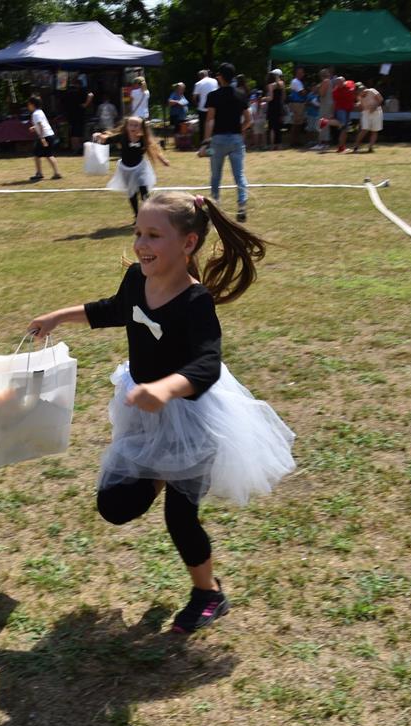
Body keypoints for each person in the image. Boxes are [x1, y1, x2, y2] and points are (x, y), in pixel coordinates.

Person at [26, 191, 294, 634]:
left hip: (192, 418)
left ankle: (208, 594)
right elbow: (113, 310)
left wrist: (167, 389)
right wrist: (58, 317)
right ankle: (159, 473)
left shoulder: (195, 301)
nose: (140, 244)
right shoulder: (137, 278)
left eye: (153, 235)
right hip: (143, 408)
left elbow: (206, 364)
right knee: (114, 505)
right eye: (138, 233)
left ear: (188, 243)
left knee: (179, 518)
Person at [94, 115, 171, 219]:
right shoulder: (122, 137)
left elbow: (154, 149)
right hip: (126, 169)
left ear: (141, 127)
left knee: (143, 189)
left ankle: (147, 213)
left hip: (140, 167)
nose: (133, 127)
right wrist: (99, 136)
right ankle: (137, 216)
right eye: (131, 125)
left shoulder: (144, 139)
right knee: (132, 193)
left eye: (136, 125)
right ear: (126, 126)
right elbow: (106, 140)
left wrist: (163, 160)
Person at [204, 62, 251, 222]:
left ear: (220, 77)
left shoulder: (213, 96)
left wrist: (206, 141)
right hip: (236, 140)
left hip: (217, 140)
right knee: (239, 175)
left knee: (215, 175)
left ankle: (215, 205)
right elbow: (249, 119)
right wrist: (239, 129)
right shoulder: (241, 94)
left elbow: (210, 120)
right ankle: (242, 206)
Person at [26, 95, 62, 182]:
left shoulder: (35, 114)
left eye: (28, 104)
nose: (28, 106)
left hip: (45, 136)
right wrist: (34, 128)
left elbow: (41, 125)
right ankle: (56, 173)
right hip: (49, 135)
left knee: (38, 154)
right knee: (48, 155)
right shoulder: (40, 112)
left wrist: (42, 139)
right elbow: (42, 124)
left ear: (32, 104)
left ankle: (39, 174)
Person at [351, 83, 384, 153]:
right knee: (364, 129)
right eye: (359, 91)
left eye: (363, 90)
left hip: (376, 112)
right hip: (366, 112)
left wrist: (374, 106)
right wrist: (358, 105)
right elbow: (361, 106)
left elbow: (380, 99)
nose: (362, 92)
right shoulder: (359, 96)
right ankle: (356, 146)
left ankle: (370, 148)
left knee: (374, 130)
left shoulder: (372, 91)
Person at [63, 80, 94, 152]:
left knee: (74, 132)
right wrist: (86, 104)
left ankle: (75, 149)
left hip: (71, 115)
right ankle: (78, 149)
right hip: (79, 114)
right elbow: (91, 95)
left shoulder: (69, 92)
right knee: (78, 132)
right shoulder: (81, 91)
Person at [192, 69, 218, 145]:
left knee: (203, 126)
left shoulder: (198, 83)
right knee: (213, 125)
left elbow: (194, 97)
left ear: (200, 76)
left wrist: (197, 105)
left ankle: (203, 143)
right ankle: (214, 142)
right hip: (214, 107)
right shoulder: (215, 81)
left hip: (203, 107)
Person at [266, 69, 285, 149]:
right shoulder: (282, 84)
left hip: (272, 107)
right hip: (279, 106)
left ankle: (272, 145)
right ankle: (279, 145)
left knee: (272, 127)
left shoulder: (270, 85)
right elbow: (283, 97)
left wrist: (264, 99)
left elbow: (270, 98)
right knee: (278, 127)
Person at [287, 67, 307, 148]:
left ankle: (296, 141)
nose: (302, 74)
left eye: (302, 72)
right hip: (297, 104)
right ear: (297, 73)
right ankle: (293, 142)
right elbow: (302, 92)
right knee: (296, 123)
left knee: (299, 123)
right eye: (300, 72)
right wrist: (305, 91)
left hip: (299, 104)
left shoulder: (298, 82)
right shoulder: (296, 81)